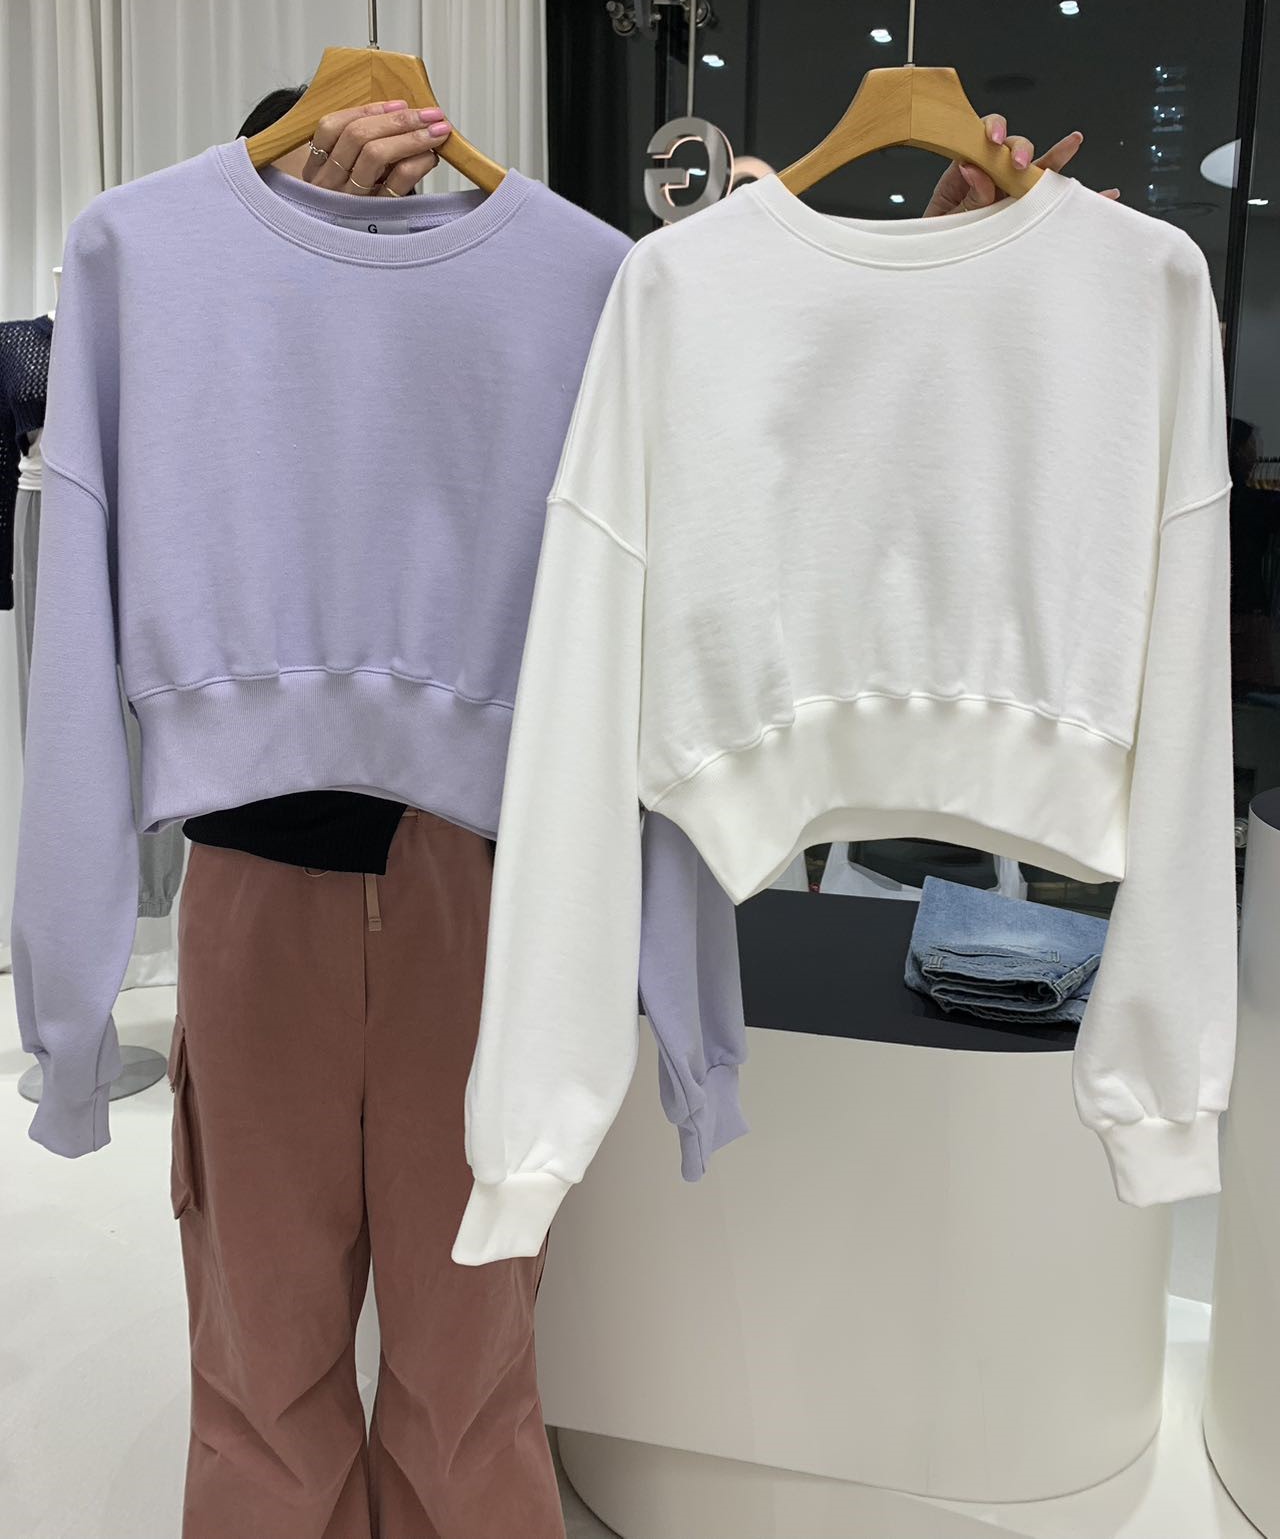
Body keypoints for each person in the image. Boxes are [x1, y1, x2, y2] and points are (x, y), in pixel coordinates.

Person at [166, 91, 1114, 1539]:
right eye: (312, 190)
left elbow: (760, 477)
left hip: (483, 866)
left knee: (467, 1351)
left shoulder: (562, 296)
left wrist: (929, 285)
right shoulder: (193, 292)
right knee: (259, 1350)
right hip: (258, 865)